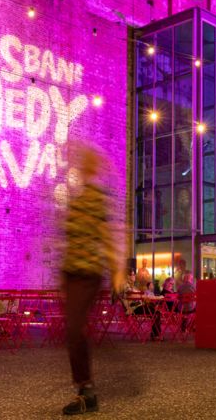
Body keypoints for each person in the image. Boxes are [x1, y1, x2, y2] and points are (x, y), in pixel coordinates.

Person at [59, 146, 123, 416]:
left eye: (85, 161)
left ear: (93, 167)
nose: (80, 164)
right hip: (71, 273)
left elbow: (106, 235)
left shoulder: (96, 199)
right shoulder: (77, 199)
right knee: (73, 331)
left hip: (89, 273)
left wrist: (117, 270)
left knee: (75, 329)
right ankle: (85, 388)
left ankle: (86, 389)